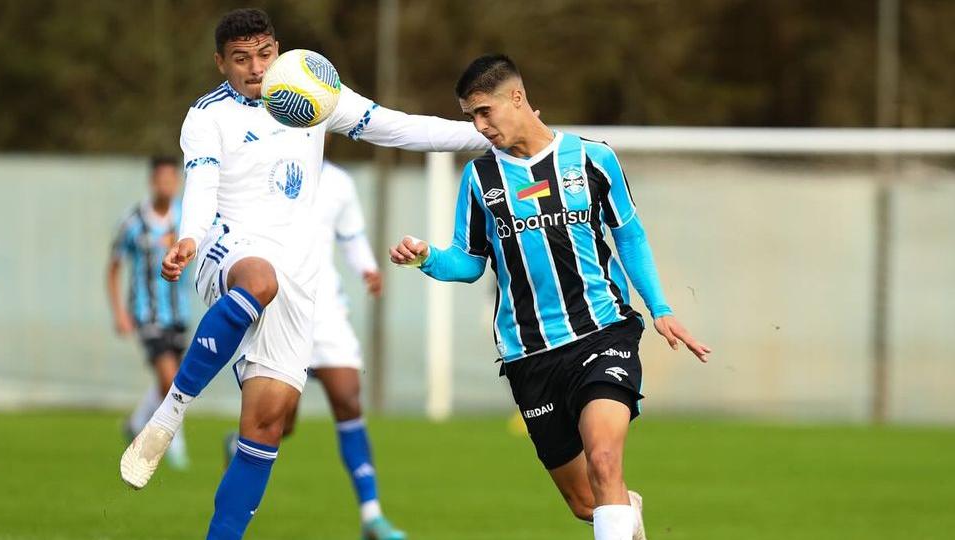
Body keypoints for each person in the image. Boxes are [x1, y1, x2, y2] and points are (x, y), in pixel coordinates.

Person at [118, 8, 488, 539]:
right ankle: (169, 413)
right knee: (259, 279)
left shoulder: (312, 91)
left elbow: (398, 126)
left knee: (265, 427)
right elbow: (199, 186)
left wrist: (486, 136)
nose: (255, 67)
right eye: (241, 59)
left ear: (278, 50)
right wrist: (189, 239)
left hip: (299, 277)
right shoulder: (207, 116)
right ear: (220, 63)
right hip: (228, 250)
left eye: (264, 54)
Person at [389, 54, 711, 540]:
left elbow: (630, 236)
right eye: (470, 117)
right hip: (530, 355)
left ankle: (616, 506)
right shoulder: (481, 179)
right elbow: (470, 262)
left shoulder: (593, 158)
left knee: (604, 459)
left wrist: (659, 308)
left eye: (483, 112)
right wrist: (426, 257)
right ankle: (624, 511)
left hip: (602, 332)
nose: (479, 126)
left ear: (516, 98)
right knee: (588, 503)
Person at [223, 156, 404, 539]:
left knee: (349, 399)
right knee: (279, 421)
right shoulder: (264, 166)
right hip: (280, 308)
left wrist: (368, 268)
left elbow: (351, 236)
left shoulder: (339, 182)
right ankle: (240, 445)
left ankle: (371, 515)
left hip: (326, 313)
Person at [107, 156, 191, 469]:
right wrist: (119, 312)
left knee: (170, 380)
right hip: (147, 312)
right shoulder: (133, 221)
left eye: (172, 179)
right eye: (162, 179)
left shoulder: (186, 218)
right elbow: (113, 268)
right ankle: (173, 442)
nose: (167, 185)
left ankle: (136, 421)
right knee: (171, 380)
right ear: (152, 182)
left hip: (179, 311)